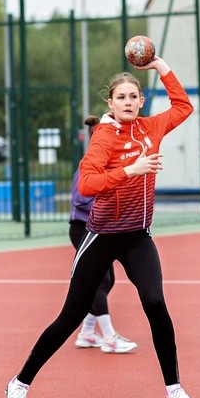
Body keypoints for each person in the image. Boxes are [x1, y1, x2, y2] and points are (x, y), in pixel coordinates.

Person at [6, 55, 200, 398]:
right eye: (121, 97)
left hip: (138, 236)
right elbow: (88, 183)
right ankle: (20, 382)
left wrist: (161, 67)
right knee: (71, 316)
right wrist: (131, 169)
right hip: (102, 235)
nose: (127, 102)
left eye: (133, 96)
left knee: (155, 303)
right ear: (110, 103)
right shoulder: (104, 137)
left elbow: (183, 106)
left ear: (141, 101)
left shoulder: (151, 128)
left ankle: (174, 390)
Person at [71, 115, 138, 354]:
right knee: (99, 282)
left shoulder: (113, 163)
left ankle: (88, 332)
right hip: (83, 228)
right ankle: (109, 337)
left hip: (103, 229)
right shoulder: (91, 164)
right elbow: (80, 198)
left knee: (106, 281)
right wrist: (106, 200)